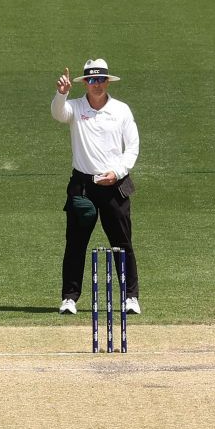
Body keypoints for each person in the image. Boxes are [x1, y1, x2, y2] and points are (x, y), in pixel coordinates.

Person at [51, 59, 141, 315]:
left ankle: (131, 297)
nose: (96, 84)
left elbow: (132, 147)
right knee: (75, 244)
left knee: (122, 242)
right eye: (91, 80)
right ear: (85, 83)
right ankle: (69, 298)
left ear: (107, 81)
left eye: (100, 79)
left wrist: (118, 172)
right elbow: (59, 113)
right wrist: (61, 93)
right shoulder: (75, 107)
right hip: (83, 186)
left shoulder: (121, 110)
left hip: (114, 184)